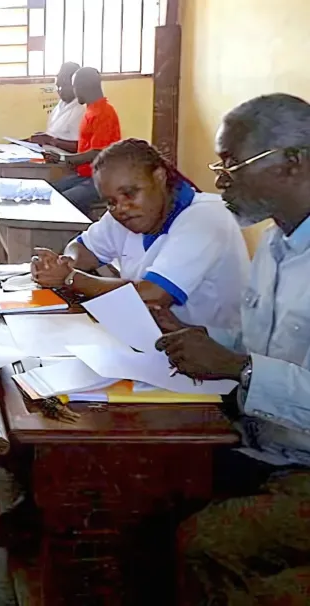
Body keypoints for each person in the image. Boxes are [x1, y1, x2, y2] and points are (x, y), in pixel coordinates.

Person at [153, 94, 310, 606]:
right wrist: (191, 338)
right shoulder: (274, 242)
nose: (220, 180)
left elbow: (249, 363)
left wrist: (236, 367)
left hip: (299, 463)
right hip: (260, 441)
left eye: (232, 164)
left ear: (293, 161)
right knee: (144, 497)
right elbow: (256, 345)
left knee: (205, 544)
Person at [32, 138, 249, 330]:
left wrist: (71, 278)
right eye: (111, 202)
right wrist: (64, 264)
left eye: (130, 193)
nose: (121, 207)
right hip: (153, 341)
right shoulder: (126, 214)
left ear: (160, 177)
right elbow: (82, 247)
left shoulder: (207, 216)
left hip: (214, 359)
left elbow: (152, 294)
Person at [42, 67, 122, 214]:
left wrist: (62, 158)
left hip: (101, 180)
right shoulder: (90, 110)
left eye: (74, 87)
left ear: (84, 87)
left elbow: (96, 153)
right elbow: (85, 148)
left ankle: (80, 232)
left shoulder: (104, 113)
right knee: (50, 191)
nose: (73, 91)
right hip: (84, 175)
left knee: (64, 201)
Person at [29, 62, 85, 152]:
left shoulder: (82, 109)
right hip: (49, 154)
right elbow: (55, 134)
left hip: (67, 160)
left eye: (64, 86)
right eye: (58, 86)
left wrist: (51, 141)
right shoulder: (61, 105)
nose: (60, 91)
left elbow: (80, 147)